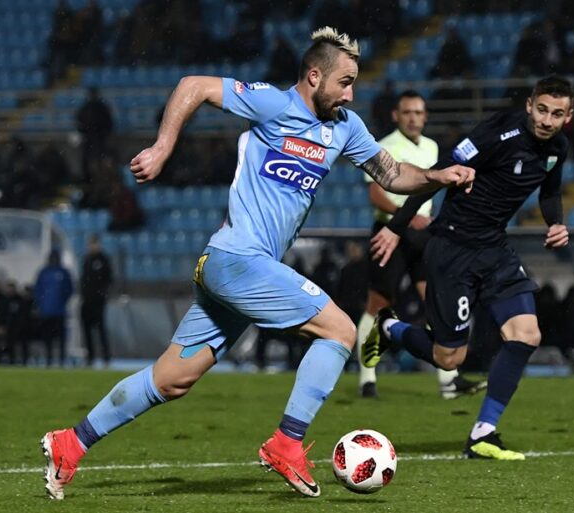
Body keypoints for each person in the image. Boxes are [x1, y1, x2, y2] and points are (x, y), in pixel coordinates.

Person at [39, 27, 474, 500]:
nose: (351, 94)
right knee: (340, 331)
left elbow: (392, 174)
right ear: (315, 76)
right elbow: (193, 85)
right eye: (345, 82)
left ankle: (70, 442)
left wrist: (438, 176)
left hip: (239, 269)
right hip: (236, 259)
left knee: (172, 379)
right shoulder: (272, 104)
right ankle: (287, 442)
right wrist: (163, 148)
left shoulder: (344, 127)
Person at [362, 76, 573, 460]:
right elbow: (436, 175)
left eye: (556, 114)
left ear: (567, 117)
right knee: (450, 358)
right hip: (452, 248)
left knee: (526, 335)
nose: (546, 120)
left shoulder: (558, 148)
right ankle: (390, 328)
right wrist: (396, 228)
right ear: (529, 105)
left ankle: (483, 434)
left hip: (494, 248)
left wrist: (556, 222)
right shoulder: (497, 133)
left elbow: (550, 191)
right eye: (541, 109)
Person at [356, 90, 485, 399]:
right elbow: (375, 195)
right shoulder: (383, 146)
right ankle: (367, 379)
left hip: (422, 234)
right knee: (378, 303)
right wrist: (405, 216)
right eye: (407, 112)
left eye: (418, 112)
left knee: (436, 303)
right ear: (396, 116)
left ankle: (448, 380)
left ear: (425, 116)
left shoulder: (432, 147)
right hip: (389, 232)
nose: (413, 118)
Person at [33, 250, 74, 367]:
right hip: (46, 312)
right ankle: (49, 359)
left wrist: (62, 301)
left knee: (60, 338)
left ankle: (61, 360)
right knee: (48, 338)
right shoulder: (43, 272)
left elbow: (69, 289)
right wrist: (41, 304)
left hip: (59, 312)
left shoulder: (64, 272)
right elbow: (37, 290)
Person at [80, 234, 113, 367]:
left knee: (101, 330)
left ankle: (106, 357)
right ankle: (90, 357)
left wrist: (102, 294)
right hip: (86, 300)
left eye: (94, 244)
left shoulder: (103, 259)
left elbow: (109, 279)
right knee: (87, 330)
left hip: (98, 301)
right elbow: (84, 279)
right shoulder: (86, 259)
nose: (92, 247)